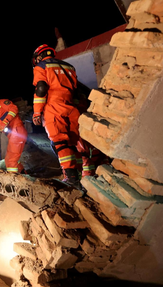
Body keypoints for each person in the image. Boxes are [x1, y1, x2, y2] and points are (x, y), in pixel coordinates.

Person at [31, 44, 96, 186]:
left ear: (40, 56)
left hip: (53, 107)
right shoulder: (69, 67)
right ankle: (78, 176)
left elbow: (41, 88)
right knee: (73, 143)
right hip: (71, 106)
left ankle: (71, 178)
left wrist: (37, 112)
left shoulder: (41, 66)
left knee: (60, 142)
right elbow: (77, 90)